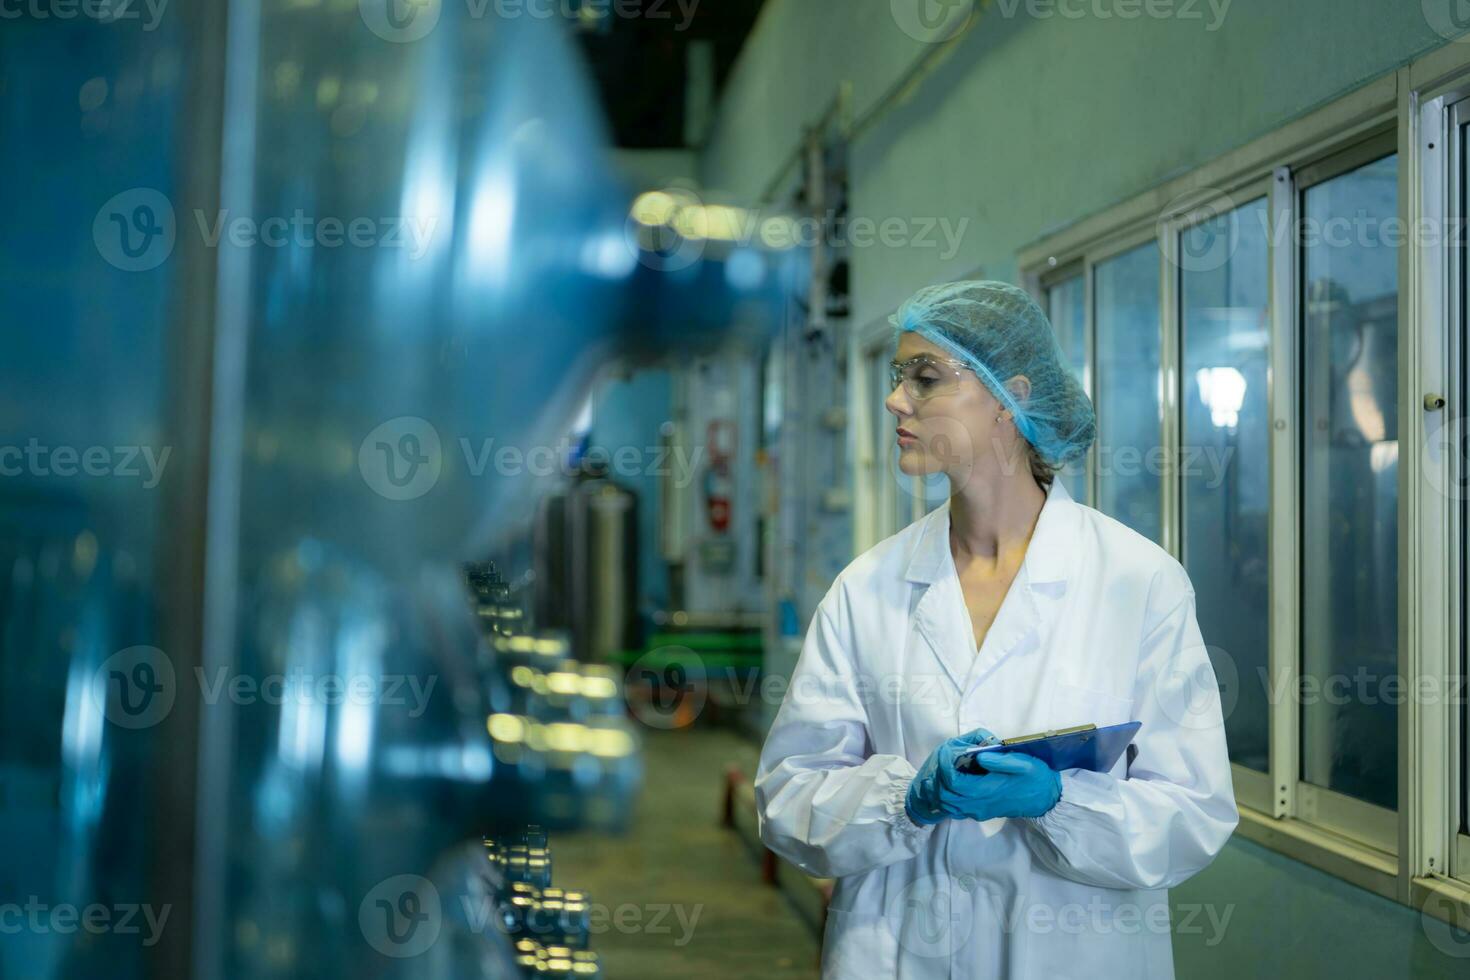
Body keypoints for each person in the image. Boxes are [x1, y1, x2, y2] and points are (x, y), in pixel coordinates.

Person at [755, 280, 1238, 979]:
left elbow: (1192, 816)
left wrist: (1058, 801)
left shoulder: (1139, 584)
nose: (895, 401)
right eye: (899, 378)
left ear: (1009, 397)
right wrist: (903, 800)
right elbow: (788, 797)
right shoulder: (868, 588)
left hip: (1074, 955)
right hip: (894, 953)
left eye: (924, 378)